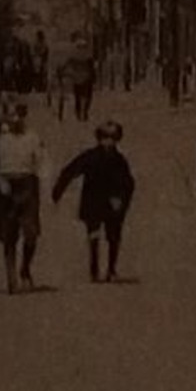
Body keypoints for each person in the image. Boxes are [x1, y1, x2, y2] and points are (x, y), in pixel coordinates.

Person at [52, 120, 136, 284]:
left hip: (113, 202)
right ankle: (94, 269)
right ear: (99, 138)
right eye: (105, 137)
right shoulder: (90, 156)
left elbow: (128, 183)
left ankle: (111, 269)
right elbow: (70, 170)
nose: (108, 141)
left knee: (113, 236)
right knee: (94, 235)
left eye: (112, 137)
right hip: (93, 201)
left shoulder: (120, 160)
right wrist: (58, 191)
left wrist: (121, 200)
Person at [0, 100, 49, 293]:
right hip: (6, 184)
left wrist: (42, 182)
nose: (15, 119)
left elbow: (42, 161)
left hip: (27, 183)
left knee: (31, 233)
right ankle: (11, 276)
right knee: (9, 234)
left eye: (18, 115)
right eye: (11, 115)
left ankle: (25, 268)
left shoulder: (32, 136)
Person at [65, 34, 96, 123]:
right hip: (86, 78)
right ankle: (84, 112)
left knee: (78, 96)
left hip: (76, 78)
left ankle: (79, 113)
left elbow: (68, 64)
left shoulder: (73, 54)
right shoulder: (87, 55)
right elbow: (91, 67)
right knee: (86, 96)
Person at [33, 31, 51, 95]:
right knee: (36, 72)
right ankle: (37, 86)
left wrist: (39, 54)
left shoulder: (44, 44)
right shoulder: (36, 43)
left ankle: (43, 87)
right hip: (38, 60)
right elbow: (34, 51)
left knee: (43, 73)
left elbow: (44, 52)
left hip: (43, 61)